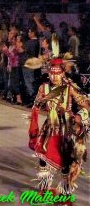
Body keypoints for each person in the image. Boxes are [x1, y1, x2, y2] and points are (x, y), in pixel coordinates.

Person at [28, 58, 89, 197]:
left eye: (57, 73)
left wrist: (80, 117)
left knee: (66, 160)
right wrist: (41, 103)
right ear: (49, 73)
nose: (54, 76)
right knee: (43, 156)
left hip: (67, 128)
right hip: (50, 127)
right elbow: (36, 106)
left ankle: (65, 190)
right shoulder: (44, 88)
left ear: (62, 74)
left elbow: (84, 103)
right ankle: (44, 188)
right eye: (52, 73)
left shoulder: (69, 87)